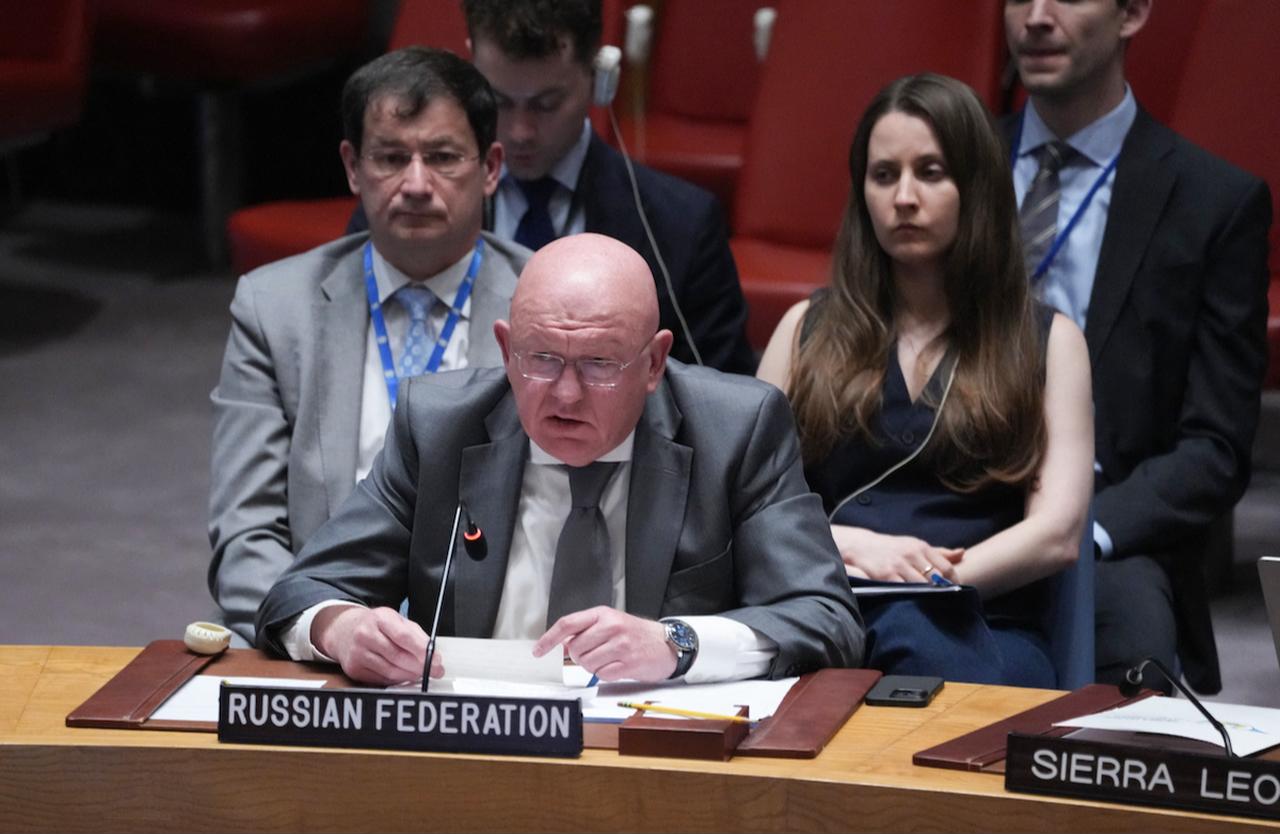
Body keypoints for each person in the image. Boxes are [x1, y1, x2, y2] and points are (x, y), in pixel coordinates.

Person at [256, 233, 864, 686]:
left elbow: (826, 616)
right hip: (473, 751)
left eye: (600, 364)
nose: (566, 395)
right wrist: (342, 629)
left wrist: (677, 643)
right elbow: (300, 592)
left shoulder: (735, 430)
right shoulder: (438, 427)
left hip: (656, 762)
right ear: (505, 349)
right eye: (542, 359)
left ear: (654, 363)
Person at [757, 73, 1094, 687]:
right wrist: (850, 547)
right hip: (831, 605)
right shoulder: (804, 328)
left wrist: (926, 584)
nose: (904, 197)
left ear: (976, 187)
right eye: (884, 175)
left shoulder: (1051, 341)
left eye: (931, 173)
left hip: (981, 616)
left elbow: (1056, 535)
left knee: (918, 637)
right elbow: (749, 507)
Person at [209, 48, 531, 646]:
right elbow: (246, 532)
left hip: (496, 646)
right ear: (353, 168)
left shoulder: (546, 305)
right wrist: (323, 628)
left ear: (490, 168)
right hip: (323, 643)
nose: (416, 185)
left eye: (442, 158)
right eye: (390, 158)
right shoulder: (274, 308)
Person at [1004, 0, 1272, 692]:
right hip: (942, 496)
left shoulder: (1214, 202)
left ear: (1131, 13)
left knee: (1130, 664)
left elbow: (1214, 447)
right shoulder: (939, 170)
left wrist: (1081, 529)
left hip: (1105, 517)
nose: (1036, 16)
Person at [349, 0, 755, 374]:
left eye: (546, 104)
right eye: (500, 101)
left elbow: (717, 405)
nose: (520, 132)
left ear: (600, 78)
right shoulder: (410, 207)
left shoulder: (681, 228)